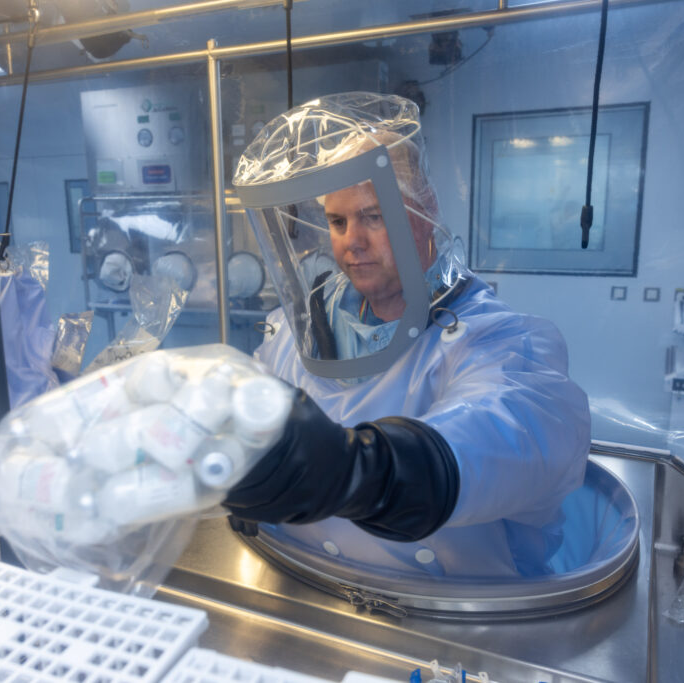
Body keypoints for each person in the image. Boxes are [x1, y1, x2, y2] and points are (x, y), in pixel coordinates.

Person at [224, 92, 590, 578]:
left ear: (425, 213)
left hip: (450, 625)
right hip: (304, 590)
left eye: (373, 216)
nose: (352, 241)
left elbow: (504, 432)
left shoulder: (496, 341)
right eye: (338, 221)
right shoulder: (301, 335)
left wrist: (360, 472)